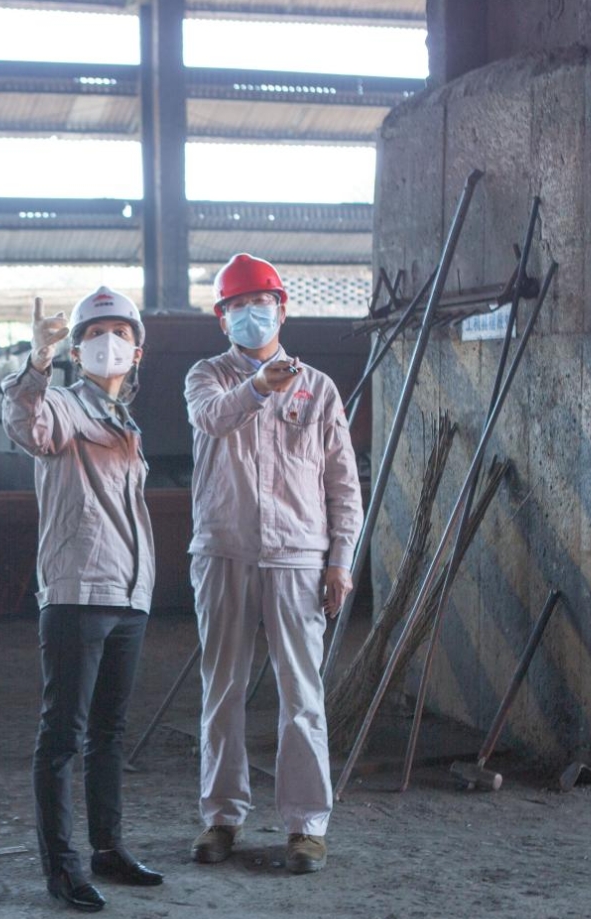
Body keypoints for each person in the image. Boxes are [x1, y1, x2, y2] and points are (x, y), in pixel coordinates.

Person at [183, 253, 364, 874]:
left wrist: (340, 559)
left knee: (302, 694)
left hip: (298, 556)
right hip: (224, 550)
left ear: (282, 310)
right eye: (237, 306)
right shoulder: (206, 377)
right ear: (222, 319)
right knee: (222, 690)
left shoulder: (318, 388)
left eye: (260, 303)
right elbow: (212, 418)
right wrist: (259, 386)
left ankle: (306, 827)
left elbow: (342, 482)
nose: (250, 314)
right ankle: (220, 818)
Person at [2, 286, 163, 912]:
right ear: (76, 350)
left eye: (119, 333)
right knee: (63, 735)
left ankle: (108, 849)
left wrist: (143, 586)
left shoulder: (127, 422)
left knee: (109, 732)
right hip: (78, 590)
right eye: (94, 334)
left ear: (137, 350)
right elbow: (29, 427)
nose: (107, 343)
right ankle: (63, 869)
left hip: (129, 592)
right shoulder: (64, 405)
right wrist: (36, 363)